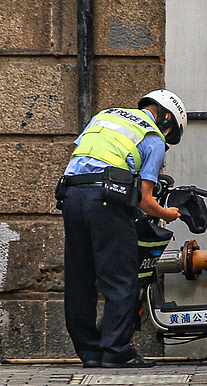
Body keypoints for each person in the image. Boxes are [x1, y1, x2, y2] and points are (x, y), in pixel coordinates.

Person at [60, 90, 185, 369]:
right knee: (120, 277)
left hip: (71, 195)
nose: (167, 136)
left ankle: (90, 351)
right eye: (170, 131)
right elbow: (145, 198)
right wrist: (168, 214)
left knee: (80, 278)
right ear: (167, 118)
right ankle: (116, 350)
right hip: (106, 199)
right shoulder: (153, 138)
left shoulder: (106, 115)